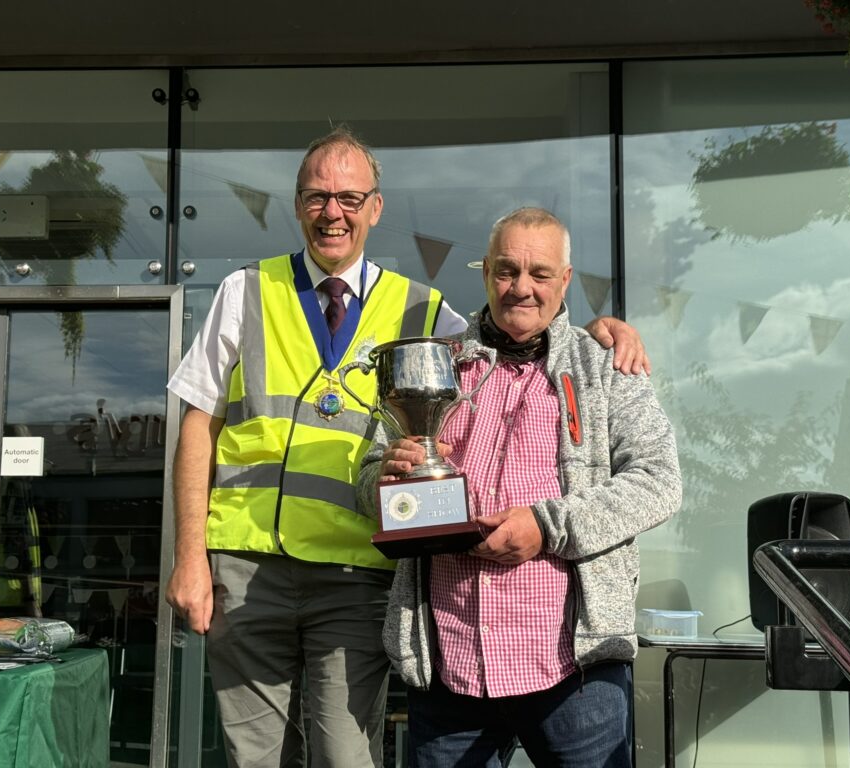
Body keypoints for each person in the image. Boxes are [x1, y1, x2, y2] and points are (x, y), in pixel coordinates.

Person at [165, 128, 649, 768]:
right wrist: (189, 559)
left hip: (356, 572)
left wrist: (594, 334)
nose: (332, 213)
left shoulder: (424, 311)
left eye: (348, 197)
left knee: (346, 756)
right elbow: (196, 425)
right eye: (316, 197)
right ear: (296, 202)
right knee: (254, 757)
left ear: (375, 207)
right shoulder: (244, 290)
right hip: (248, 566)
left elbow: (514, 327)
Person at [360, 207, 682, 767]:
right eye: (507, 271)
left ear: (565, 280)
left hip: (574, 670)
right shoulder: (437, 363)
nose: (522, 289)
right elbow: (367, 479)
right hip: (451, 666)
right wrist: (385, 478)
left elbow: (658, 480)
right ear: (485, 273)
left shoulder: (606, 365)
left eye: (539, 274)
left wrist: (545, 526)